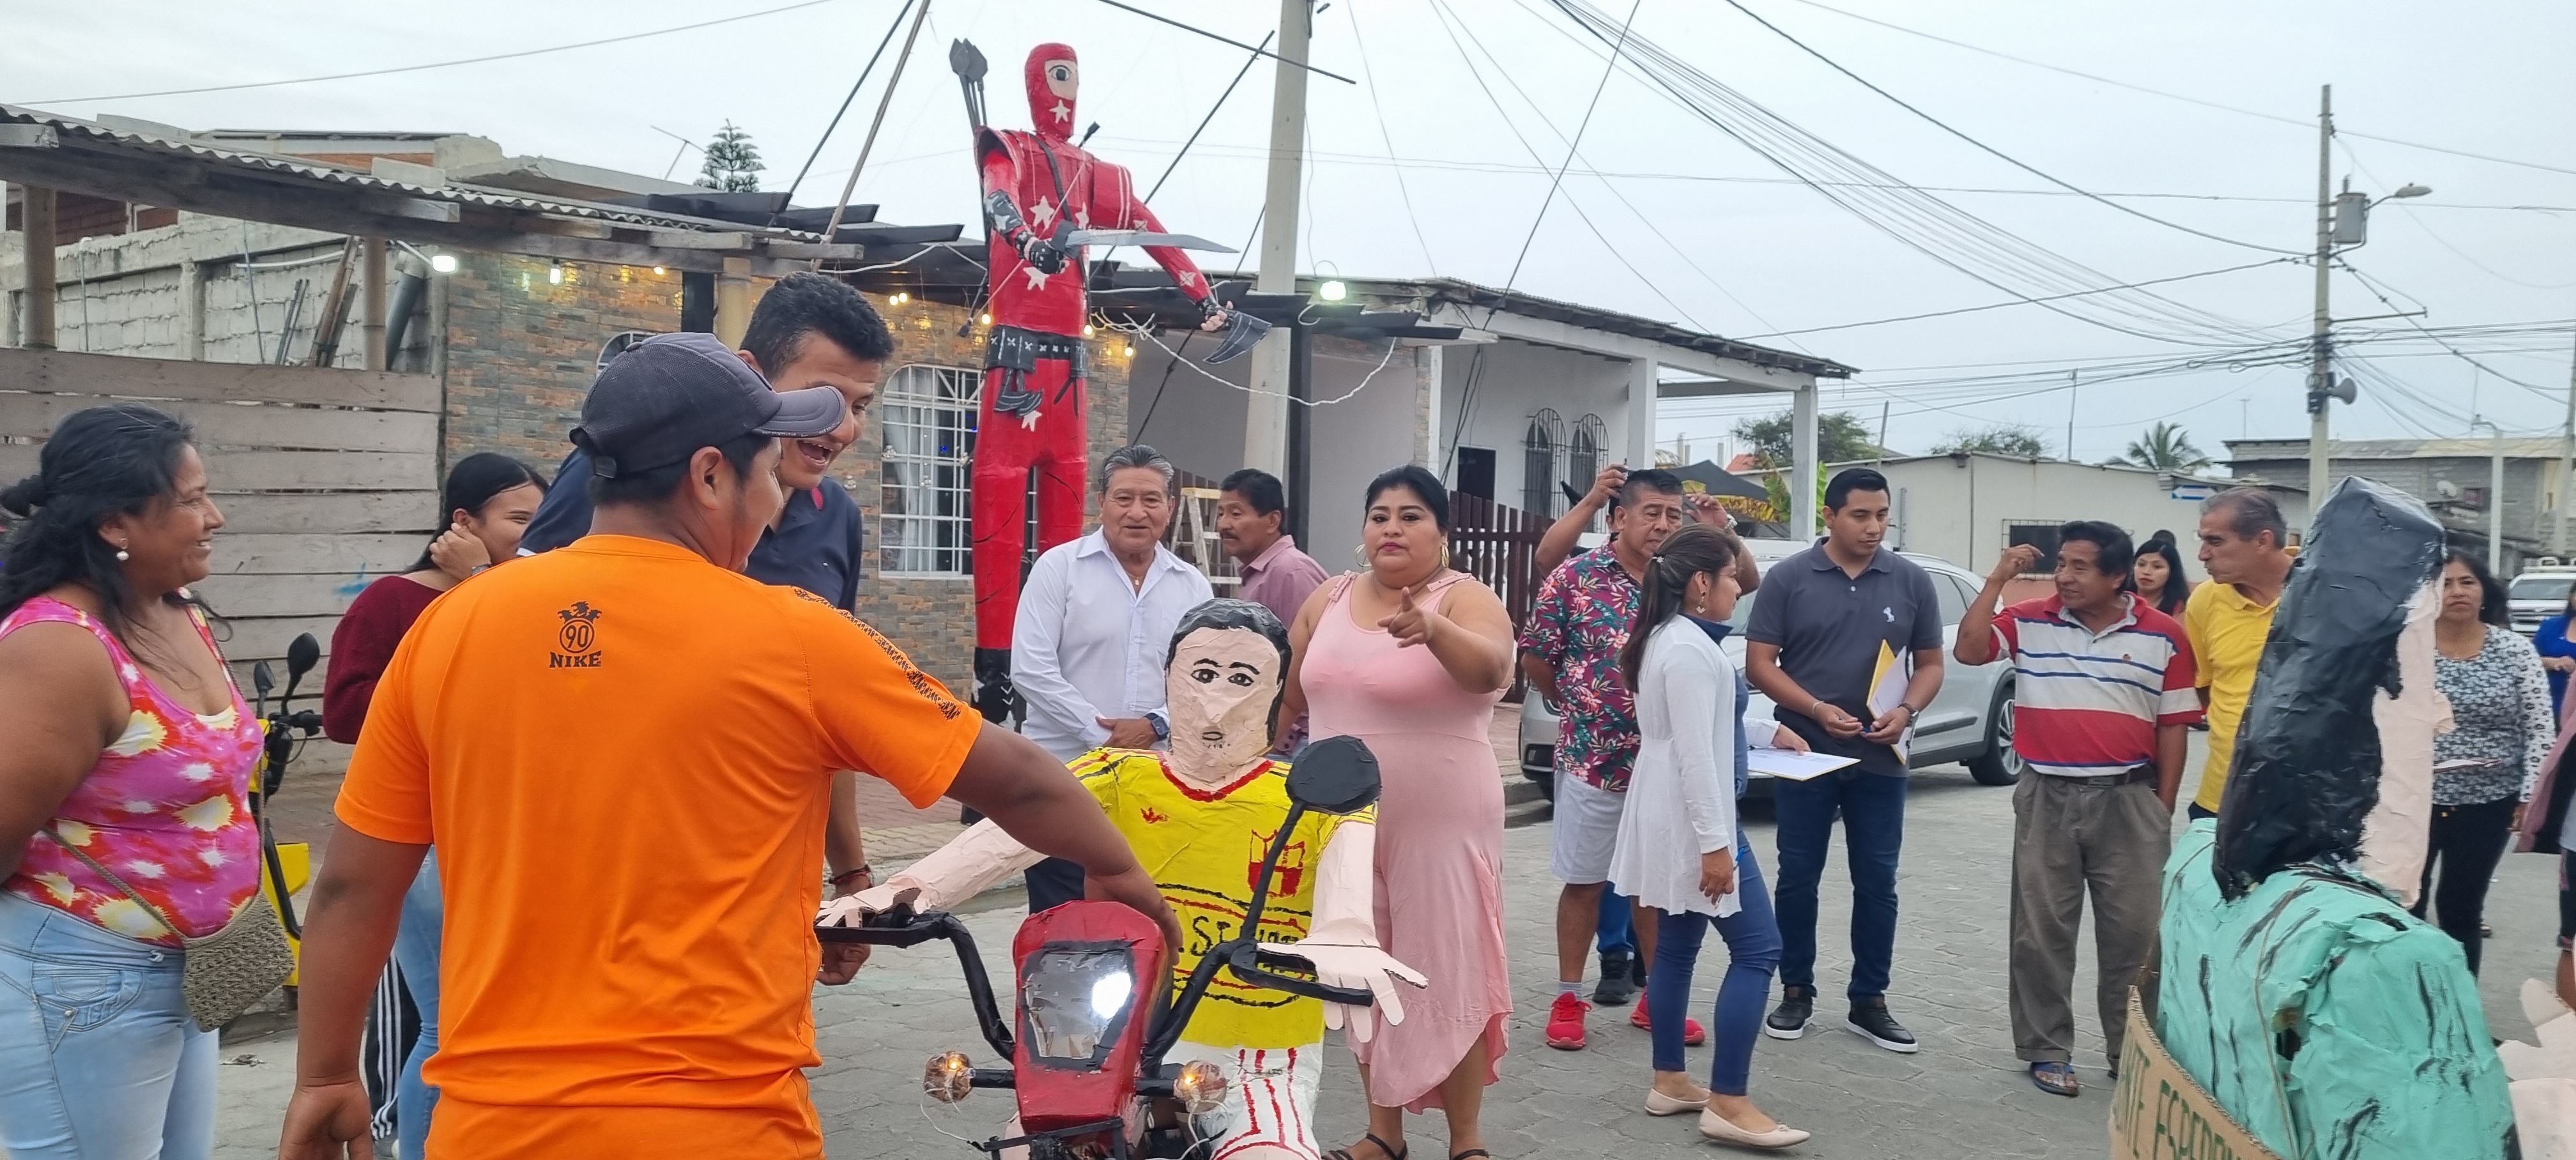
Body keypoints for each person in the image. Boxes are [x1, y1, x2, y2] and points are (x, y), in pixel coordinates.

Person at [276, 333, 1177, 1159]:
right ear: (711, 476)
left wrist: (323, 1076)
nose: (782, 497)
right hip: (719, 1126)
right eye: (770, 471)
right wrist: (1120, 873)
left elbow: (355, 885)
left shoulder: (452, 626)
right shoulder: (793, 635)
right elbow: (1018, 780)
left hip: (490, 1131)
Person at [830, 599, 1423, 1160]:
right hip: (1110, 1040)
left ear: (1275, 692)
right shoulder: (1117, 772)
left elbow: (1348, 854)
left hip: (1258, 1049)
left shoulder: (1313, 797)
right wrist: (908, 891)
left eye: (1242, 679)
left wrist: (1345, 930)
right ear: (1169, 680)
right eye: (1203, 674)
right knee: (1032, 1145)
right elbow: (1018, 823)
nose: (1216, 703)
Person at [517, 271, 896, 965]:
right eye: (823, 397)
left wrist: (850, 877)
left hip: (752, 888)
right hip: (597, 882)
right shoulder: (630, 479)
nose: (842, 428)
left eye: (860, 406)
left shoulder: (836, 517)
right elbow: (523, 648)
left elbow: (827, 717)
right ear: (750, 375)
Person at [0, 404, 263, 1160]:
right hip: (83, 980)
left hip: (189, 968)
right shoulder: (60, 648)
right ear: (115, 522)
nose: (214, 517)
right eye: (190, 501)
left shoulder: (173, 609)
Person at [1283, 466, 1517, 1160]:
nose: (1392, 527)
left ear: (1442, 532)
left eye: (1411, 516)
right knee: (1360, 968)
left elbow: (1492, 670)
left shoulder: (1466, 597)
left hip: (1442, 819)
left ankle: (1466, 1140)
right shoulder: (1327, 598)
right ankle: (1383, 1135)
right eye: (1379, 515)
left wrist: (1435, 629)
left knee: (1449, 967)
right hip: (1342, 823)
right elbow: (1287, 698)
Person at [322, 452, 547, 1157]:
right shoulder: (393, 601)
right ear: (463, 522)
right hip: (426, 836)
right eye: (518, 519)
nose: (532, 535)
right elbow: (344, 713)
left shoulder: (529, 590)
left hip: (508, 831)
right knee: (445, 1024)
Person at [1954, 523, 2199, 1097]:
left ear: (2117, 576)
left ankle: (2131, 1052)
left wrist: (2160, 808)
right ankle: (2046, 1049)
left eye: (2079, 567)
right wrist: (1996, 581)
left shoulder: (2165, 636)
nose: (2064, 576)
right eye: (2061, 564)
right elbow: (1969, 649)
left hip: (2129, 799)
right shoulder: (2030, 619)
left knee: (2136, 937)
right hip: (2047, 795)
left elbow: (2173, 727)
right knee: (2040, 932)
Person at [1529, 464, 1759, 1013]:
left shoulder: (1684, 582)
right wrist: (1578, 703)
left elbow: (1744, 581)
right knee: (1584, 883)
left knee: (1655, 890)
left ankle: (1659, 1001)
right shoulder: (1576, 577)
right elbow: (1537, 655)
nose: (1662, 525)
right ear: (1619, 518)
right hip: (1594, 761)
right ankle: (1568, 998)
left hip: (1666, 773)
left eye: (1672, 515)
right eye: (1651, 513)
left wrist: (1723, 528)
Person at [1609, 524, 1809, 1150]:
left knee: (1675, 949)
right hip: (1695, 820)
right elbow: (1696, 754)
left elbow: (1691, 733)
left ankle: (1670, 1079)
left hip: (1668, 811)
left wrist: (1763, 734)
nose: (1737, 590)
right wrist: (1717, 846)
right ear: (1701, 583)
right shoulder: (1690, 650)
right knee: (1759, 950)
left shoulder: (1665, 638)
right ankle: (1729, 1100)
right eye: (1729, 578)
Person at [1744, 467, 1945, 1053]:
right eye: (1860, 515)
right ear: (1830, 517)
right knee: (1798, 876)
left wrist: (1906, 710)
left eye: (1882, 515)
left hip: (1882, 756)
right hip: (1806, 753)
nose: (1874, 527)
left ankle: (1870, 1001)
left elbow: (1932, 664)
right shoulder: (1789, 578)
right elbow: (1760, 663)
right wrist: (1815, 708)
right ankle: (1795, 991)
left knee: (1878, 880)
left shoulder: (1911, 580)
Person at [1009, 445, 1215, 911]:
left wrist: (1156, 724)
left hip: (1156, 783)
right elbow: (1031, 669)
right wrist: (1103, 733)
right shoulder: (1059, 569)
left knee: (1148, 916)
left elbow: (1203, 682)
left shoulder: (1193, 586)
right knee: (1062, 917)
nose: (1137, 512)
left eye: (1151, 500)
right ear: (1101, 502)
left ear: (1170, 507)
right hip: (1062, 779)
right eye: (1124, 498)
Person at [2419, 549, 2552, 975]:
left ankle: (2461, 1007)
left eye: (2467, 582)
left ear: (2484, 591)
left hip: (2489, 802)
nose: (2457, 592)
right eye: (2445, 584)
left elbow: (2539, 728)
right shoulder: (2406, 648)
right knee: (2405, 904)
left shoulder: (2515, 650)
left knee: (2461, 908)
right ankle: (2408, 1005)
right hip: (2412, 800)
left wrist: (2530, 796)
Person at [2184, 488, 2296, 821]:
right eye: (2202, 541)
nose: (2203, 555)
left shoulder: (2329, 593)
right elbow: (2205, 688)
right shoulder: (2205, 600)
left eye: (2215, 542)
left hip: (2305, 803)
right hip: (2222, 799)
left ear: (2262, 541)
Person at [1217, 468, 1326, 754]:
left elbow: (1313, 662)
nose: (1224, 524)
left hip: (1294, 743)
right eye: (1221, 513)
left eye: (1236, 514)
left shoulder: (1291, 572)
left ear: (1273, 520)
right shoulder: (1261, 573)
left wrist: (1279, 738)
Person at [2533, 587, 2576, 719]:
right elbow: (2528, 661)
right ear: (2571, 596)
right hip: (2547, 707)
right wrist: (2553, 662)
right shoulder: (2551, 625)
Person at [2129, 531, 2191, 618]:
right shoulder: (2119, 599)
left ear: (2172, 571)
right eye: (2141, 565)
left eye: (2157, 567)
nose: (2146, 572)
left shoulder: (2182, 608)